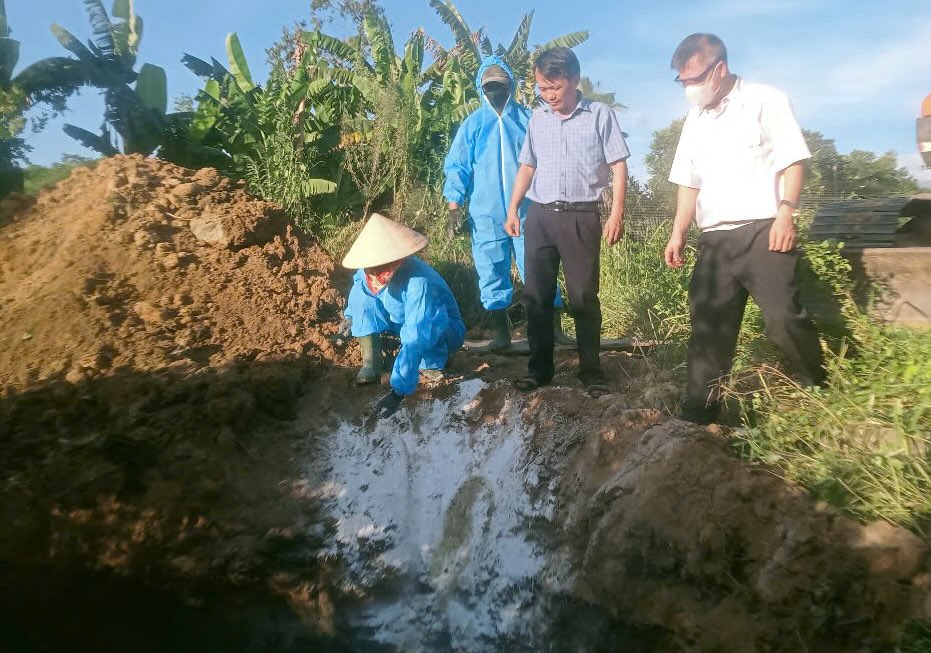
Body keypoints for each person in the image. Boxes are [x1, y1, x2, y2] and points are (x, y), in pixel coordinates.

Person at [664, 33, 825, 424]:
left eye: (693, 79)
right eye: (682, 82)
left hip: (763, 231)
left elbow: (792, 161)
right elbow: (689, 181)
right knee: (709, 327)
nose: (689, 89)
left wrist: (787, 213)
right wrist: (678, 231)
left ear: (718, 69)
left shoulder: (766, 101)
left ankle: (818, 386)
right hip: (715, 239)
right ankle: (700, 412)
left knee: (783, 318)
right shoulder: (694, 120)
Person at [504, 46, 629, 394]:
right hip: (540, 216)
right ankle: (539, 371)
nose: (549, 95)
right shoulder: (538, 119)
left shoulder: (600, 115)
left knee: (583, 297)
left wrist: (616, 211)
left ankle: (591, 372)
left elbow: (619, 164)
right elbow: (527, 165)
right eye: (542, 88)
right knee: (536, 297)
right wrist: (513, 208)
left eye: (555, 87)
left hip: (580, 217)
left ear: (574, 80)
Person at [443, 55, 571, 350]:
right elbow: (457, 166)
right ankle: (501, 336)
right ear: (481, 88)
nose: (495, 92)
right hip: (486, 214)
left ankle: (555, 330)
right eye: (489, 87)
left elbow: (549, 159)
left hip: (528, 211)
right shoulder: (473, 124)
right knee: (491, 270)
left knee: (539, 269)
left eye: (500, 86)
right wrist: (454, 205)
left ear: (510, 85)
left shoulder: (528, 119)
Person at [339, 213, 466, 418]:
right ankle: (371, 363)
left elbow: (418, 332)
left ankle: (431, 364)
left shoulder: (420, 282)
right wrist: (351, 316)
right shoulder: (367, 273)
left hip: (441, 327)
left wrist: (398, 392)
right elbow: (359, 290)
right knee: (363, 299)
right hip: (400, 320)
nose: (377, 273)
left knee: (425, 343)